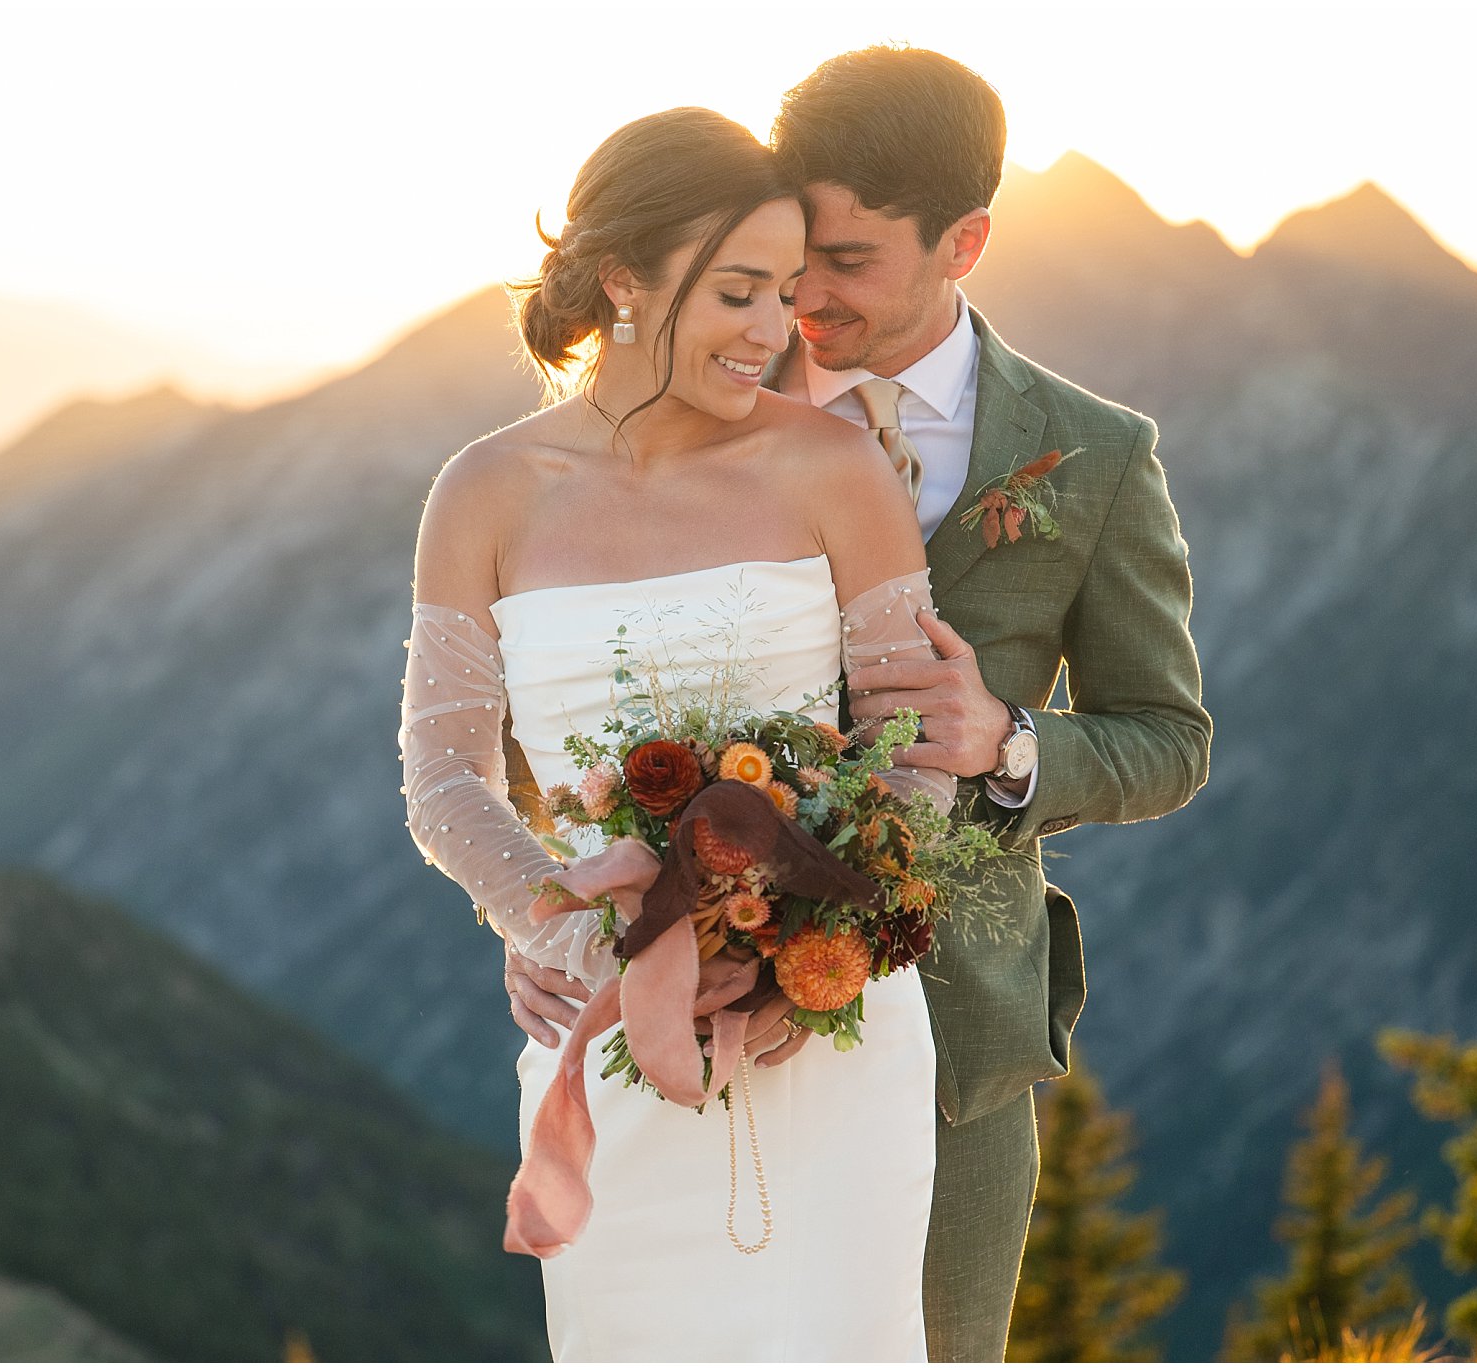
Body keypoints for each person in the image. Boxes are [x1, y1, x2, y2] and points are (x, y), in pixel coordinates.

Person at [504, 46, 1213, 1362]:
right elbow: (585, 687)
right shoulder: (684, 411)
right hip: (699, 1007)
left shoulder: (1097, 459)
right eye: (792, 256)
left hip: (957, 1042)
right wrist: (562, 900)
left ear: (968, 242)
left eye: (850, 263)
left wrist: (1010, 747)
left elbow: (1168, 741)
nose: (804, 299)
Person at [402, 107, 961, 1360]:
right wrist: (571, 927)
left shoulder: (834, 465)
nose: (773, 331)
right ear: (622, 281)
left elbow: (911, 736)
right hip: (604, 1037)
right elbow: (443, 777)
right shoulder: (483, 492)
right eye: (738, 292)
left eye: (787, 294)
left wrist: (816, 944)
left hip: (830, 1029)